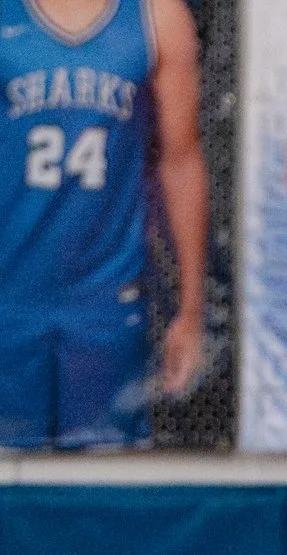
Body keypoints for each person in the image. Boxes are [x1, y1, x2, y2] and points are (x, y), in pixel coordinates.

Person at [0, 0, 207, 449]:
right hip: (9, 296)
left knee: (103, 488)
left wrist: (191, 310)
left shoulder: (157, 16)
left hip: (107, 300)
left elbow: (181, 161)